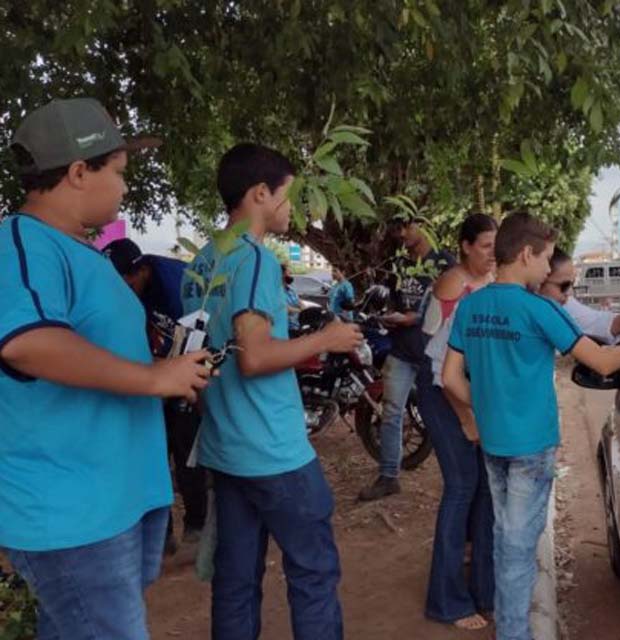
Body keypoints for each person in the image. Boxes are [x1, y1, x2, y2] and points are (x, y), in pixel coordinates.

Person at [0, 97, 211, 640]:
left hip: (115, 499)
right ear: (77, 173)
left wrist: (168, 368)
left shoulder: (78, 252)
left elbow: (95, 354)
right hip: (73, 512)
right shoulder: (21, 245)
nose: (124, 187)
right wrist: (153, 378)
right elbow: (28, 343)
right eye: (118, 173)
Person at [442, 212, 620, 640]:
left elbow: (450, 379)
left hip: (494, 443)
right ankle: (513, 634)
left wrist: (487, 408)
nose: (549, 270)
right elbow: (602, 362)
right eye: (546, 259)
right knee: (517, 547)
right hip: (531, 446)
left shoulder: (471, 305)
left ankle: (511, 626)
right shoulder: (537, 309)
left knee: (503, 535)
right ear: (526, 254)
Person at [181, 143, 362, 640]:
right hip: (274, 451)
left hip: (225, 449)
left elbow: (192, 358)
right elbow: (255, 356)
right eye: (287, 196)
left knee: (236, 581)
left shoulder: (200, 264)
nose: (291, 208)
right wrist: (327, 338)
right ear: (260, 193)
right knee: (313, 572)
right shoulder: (255, 259)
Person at [418, 213, 498, 630]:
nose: (491, 254)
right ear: (466, 246)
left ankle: (486, 590)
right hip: (441, 388)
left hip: (467, 387)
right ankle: (446, 600)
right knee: (463, 485)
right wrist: (466, 418)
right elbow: (438, 365)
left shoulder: (499, 286)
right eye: (484, 246)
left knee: (485, 488)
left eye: (496, 247)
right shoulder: (453, 287)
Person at [104, 237, 208, 554]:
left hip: (187, 366)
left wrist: (185, 382)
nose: (119, 289)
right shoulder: (126, 294)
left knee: (186, 448)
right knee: (153, 454)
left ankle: (197, 526)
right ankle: (162, 534)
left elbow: (200, 338)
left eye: (123, 280)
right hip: (152, 375)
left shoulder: (178, 285)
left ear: (141, 271)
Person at [358, 215, 455, 501]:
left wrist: (418, 317)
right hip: (400, 350)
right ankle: (389, 476)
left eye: (407, 227)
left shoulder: (444, 263)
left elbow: (450, 307)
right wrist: (391, 317)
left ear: (424, 226)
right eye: (399, 227)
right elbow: (394, 301)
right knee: (390, 413)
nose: (401, 233)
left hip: (432, 353)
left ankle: (456, 482)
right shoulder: (400, 264)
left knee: (440, 417)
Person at [540, 248, 620, 344]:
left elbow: (599, 322)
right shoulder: (534, 310)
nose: (569, 293)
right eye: (564, 286)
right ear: (540, 280)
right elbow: (602, 361)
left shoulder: (564, 306)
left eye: (572, 284)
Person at [282, 263, 304, 332]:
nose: (291, 275)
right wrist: (300, 310)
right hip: (286, 330)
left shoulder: (291, 290)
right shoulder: (275, 292)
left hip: (297, 327)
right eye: (289, 273)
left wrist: (302, 308)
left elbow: (300, 303)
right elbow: (285, 309)